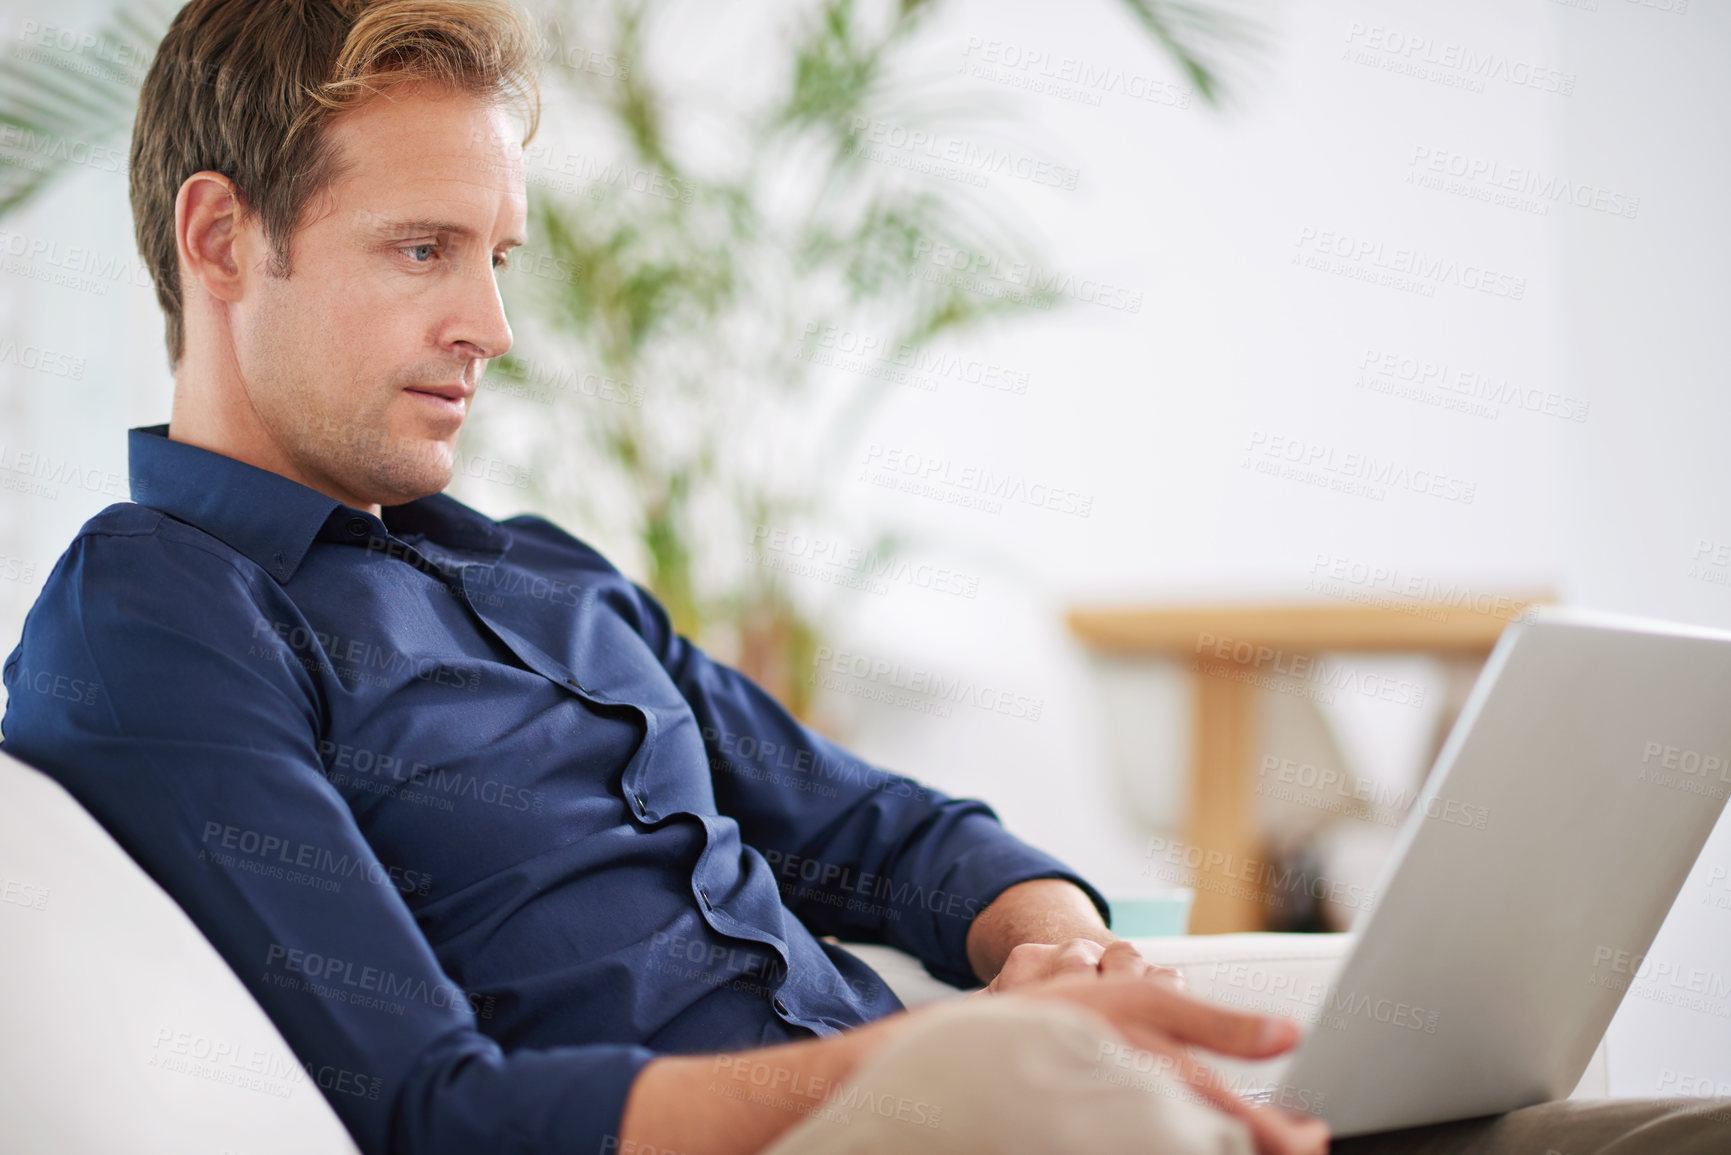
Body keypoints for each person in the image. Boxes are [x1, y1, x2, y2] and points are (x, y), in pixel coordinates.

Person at [1, 3, 1723, 1154]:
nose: (495, 327)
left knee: (1616, 1112)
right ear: (221, 240)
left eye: (499, 256)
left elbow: (886, 836)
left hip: (959, 1099)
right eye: (423, 250)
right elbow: (440, 1110)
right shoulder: (156, 614)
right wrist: (916, 1062)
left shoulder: (543, 579)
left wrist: (1057, 950)